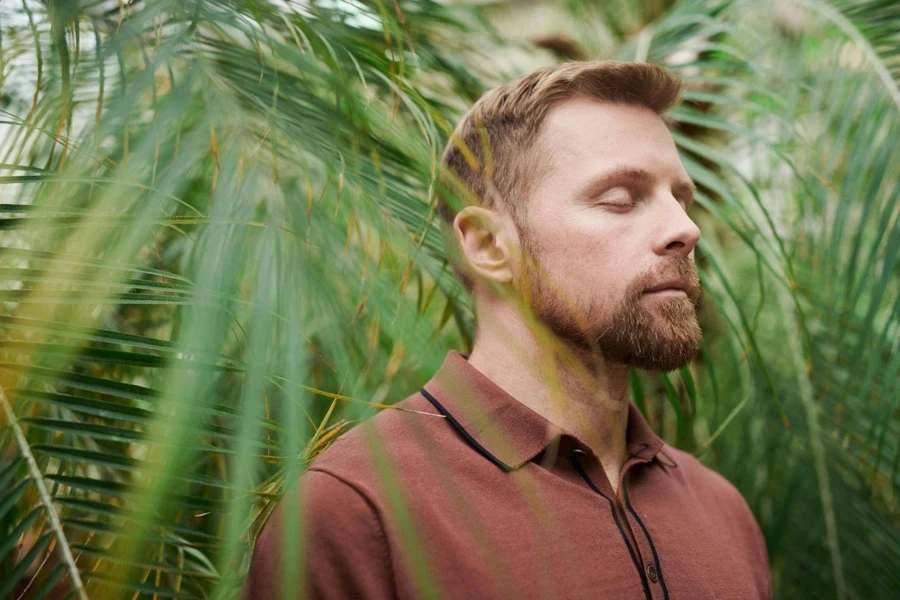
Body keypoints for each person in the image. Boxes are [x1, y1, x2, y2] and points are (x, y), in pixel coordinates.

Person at [243, 60, 771, 600]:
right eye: (620, 198)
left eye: (681, 199)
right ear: (490, 246)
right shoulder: (358, 513)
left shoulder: (721, 510)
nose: (686, 228)